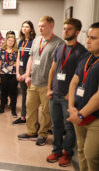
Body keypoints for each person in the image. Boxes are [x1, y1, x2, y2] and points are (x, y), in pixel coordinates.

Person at [46, 18, 87, 167]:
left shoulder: (82, 52)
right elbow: (53, 69)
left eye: (69, 29)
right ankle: (56, 150)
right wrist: (49, 88)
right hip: (54, 94)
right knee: (56, 125)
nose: (65, 31)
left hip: (68, 97)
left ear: (77, 32)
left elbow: (83, 77)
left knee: (69, 127)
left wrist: (72, 94)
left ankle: (67, 153)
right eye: (64, 28)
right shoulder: (59, 48)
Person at [18, 16, 63, 146]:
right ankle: (31, 132)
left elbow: (59, 65)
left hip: (47, 84)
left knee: (46, 111)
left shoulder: (58, 43)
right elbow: (31, 59)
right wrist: (27, 75)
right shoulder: (36, 40)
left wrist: (53, 85)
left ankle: (43, 134)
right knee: (30, 108)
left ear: (51, 26)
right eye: (39, 26)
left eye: (43, 26)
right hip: (33, 81)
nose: (40, 28)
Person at [67, 22, 99, 171]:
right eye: (88, 37)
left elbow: (98, 97)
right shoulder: (86, 56)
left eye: (93, 38)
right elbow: (74, 82)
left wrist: (79, 115)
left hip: (94, 118)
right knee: (80, 150)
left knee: (91, 155)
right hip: (78, 113)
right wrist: (72, 108)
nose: (88, 41)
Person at [12, 20, 36, 125]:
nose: (24, 28)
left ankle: (31, 119)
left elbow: (33, 59)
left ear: (31, 29)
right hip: (21, 70)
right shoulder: (21, 42)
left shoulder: (34, 42)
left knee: (30, 96)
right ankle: (22, 117)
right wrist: (17, 72)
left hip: (30, 71)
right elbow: (18, 57)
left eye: (27, 27)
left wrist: (26, 74)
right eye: (23, 27)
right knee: (24, 94)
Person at [0, 35, 18, 117]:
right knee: (3, 92)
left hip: (13, 75)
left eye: (12, 40)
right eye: (9, 40)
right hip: (3, 74)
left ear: (14, 42)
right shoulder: (1, 51)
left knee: (13, 93)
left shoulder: (16, 52)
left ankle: (14, 110)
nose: (10, 42)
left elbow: (18, 63)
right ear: (6, 41)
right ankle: (1, 109)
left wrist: (18, 74)